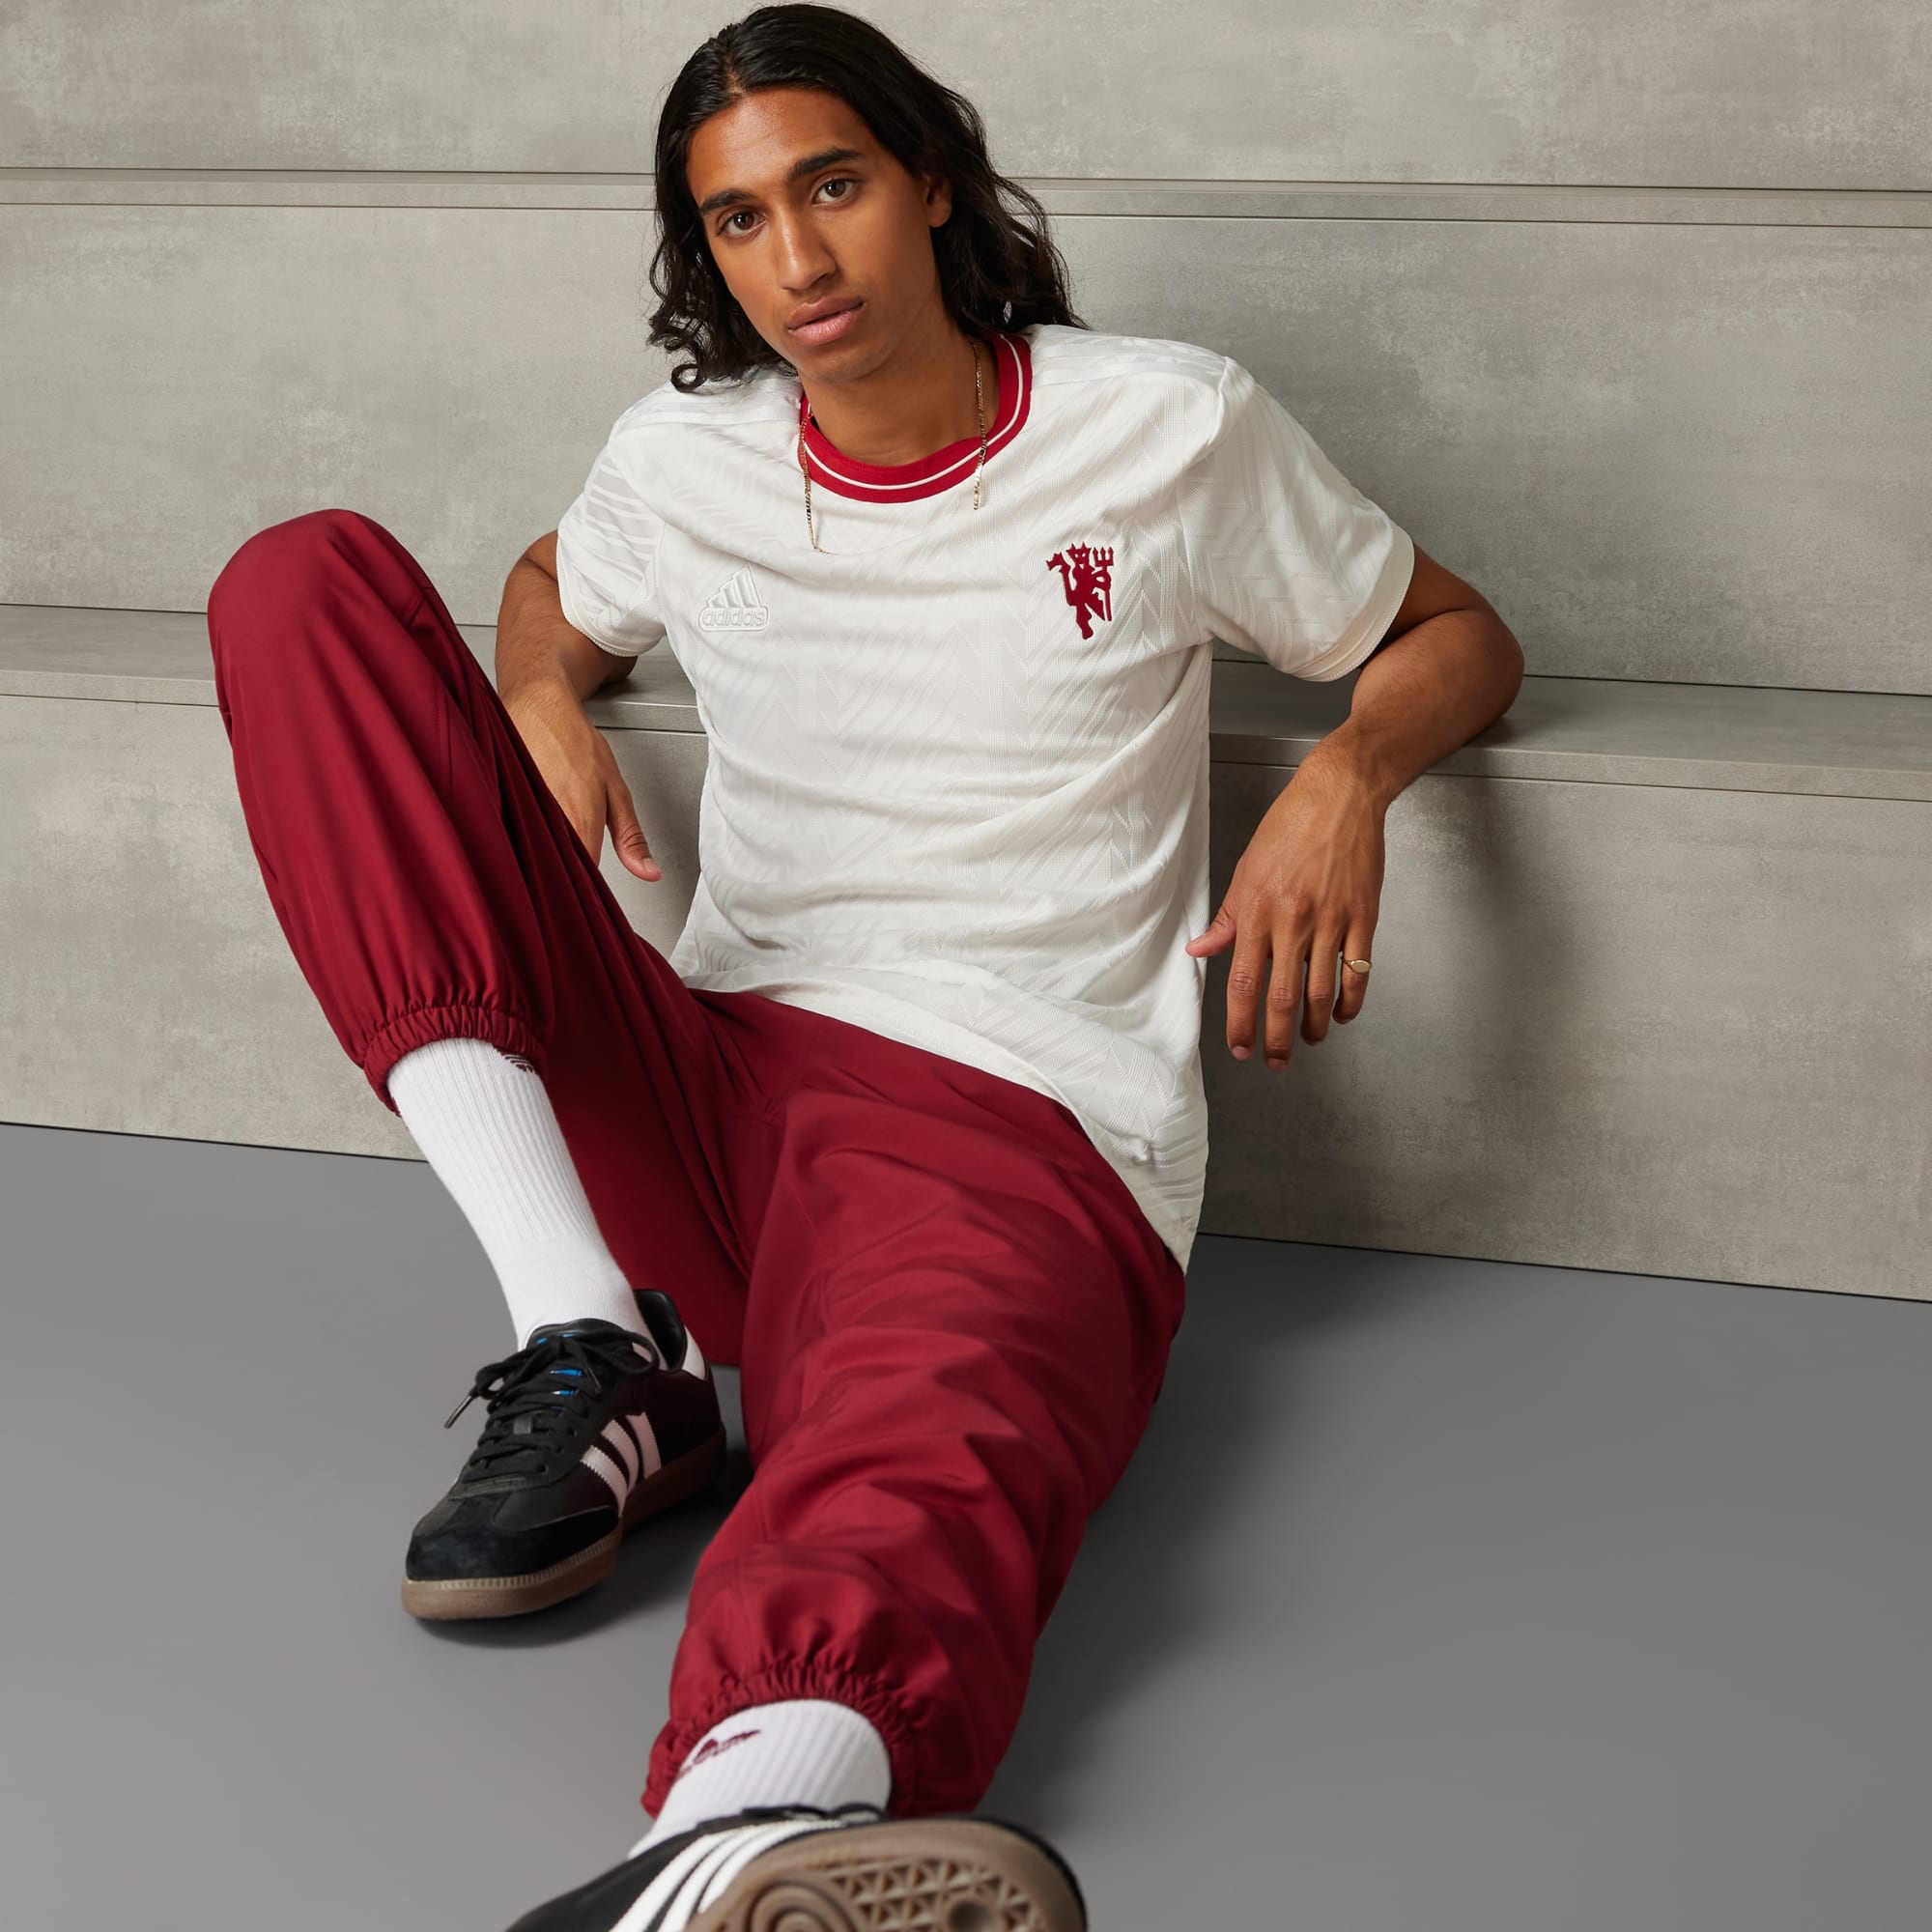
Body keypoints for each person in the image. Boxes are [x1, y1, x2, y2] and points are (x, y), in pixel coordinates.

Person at [205, 6, 1522, 1926]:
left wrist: (1345, 776)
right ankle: (593, 1331)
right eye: (738, 221)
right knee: (300, 583)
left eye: (831, 187)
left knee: (919, 1455)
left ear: (930, 182)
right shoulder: (686, 456)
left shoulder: (1164, 425)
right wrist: (541, 686)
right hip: (715, 1086)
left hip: (1010, 1116)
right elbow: (553, 584)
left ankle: (727, 1841)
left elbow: (1456, 632)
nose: (797, 260)